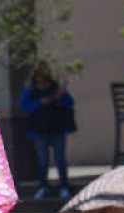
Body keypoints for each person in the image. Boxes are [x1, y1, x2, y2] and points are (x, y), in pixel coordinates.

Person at [20, 60, 76, 200]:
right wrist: (40, 102)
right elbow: (25, 106)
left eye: (43, 74)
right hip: (39, 129)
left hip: (57, 127)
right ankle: (43, 186)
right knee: (43, 160)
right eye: (39, 74)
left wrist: (61, 96)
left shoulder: (55, 87)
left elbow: (69, 103)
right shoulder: (30, 90)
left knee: (60, 159)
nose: (41, 77)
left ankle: (64, 186)